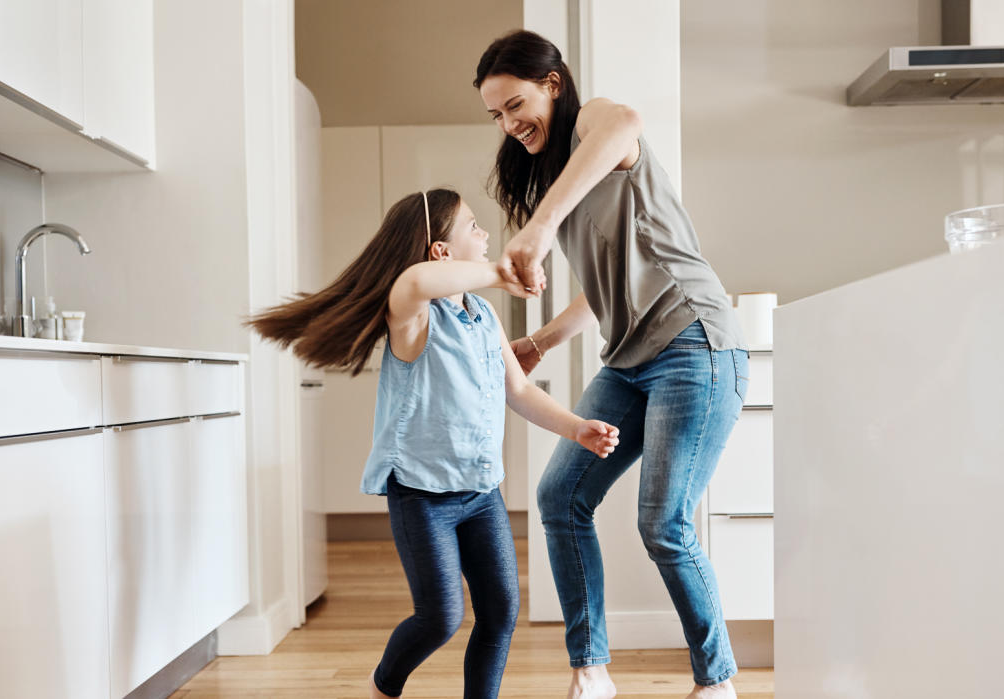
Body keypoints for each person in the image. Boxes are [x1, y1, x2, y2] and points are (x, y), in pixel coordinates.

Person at [246, 188, 620, 699]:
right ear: (441, 250)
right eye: (473, 226)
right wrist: (503, 270)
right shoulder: (414, 318)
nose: (485, 234)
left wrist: (575, 427)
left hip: (481, 493)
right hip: (422, 496)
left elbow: (521, 390)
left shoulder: (484, 317)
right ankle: (384, 685)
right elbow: (415, 280)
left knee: (500, 611)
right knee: (441, 617)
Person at [475, 31, 748, 699]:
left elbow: (627, 122)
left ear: (554, 85)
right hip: (630, 358)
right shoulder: (553, 172)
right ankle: (590, 670)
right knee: (560, 497)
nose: (511, 125)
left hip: (694, 341)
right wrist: (539, 342)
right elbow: (603, 285)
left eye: (517, 105)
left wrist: (538, 229)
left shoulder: (598, 122)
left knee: (664, 522)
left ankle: (718, 681)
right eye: (498, 116)